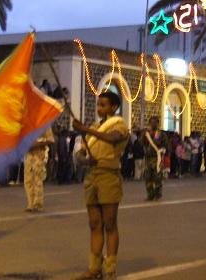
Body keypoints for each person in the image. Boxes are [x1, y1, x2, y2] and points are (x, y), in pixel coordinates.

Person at [72, 91, 129, 280]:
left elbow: (113, 139)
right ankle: (94, 268)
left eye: (103, 105)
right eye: (98, 105)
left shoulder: (119, 124)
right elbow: (80, 154)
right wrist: (85, 160)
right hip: (91, 176)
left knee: (110, 223)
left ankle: (110, 268)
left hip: (109, 175)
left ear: (114, 107)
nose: (99, 108)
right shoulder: (95, 127)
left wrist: (85, 130)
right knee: (94, 224)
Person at [23, 128, 54, 212]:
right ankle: (30, 204)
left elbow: (51, 140)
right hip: (28, 156)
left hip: (38, 156)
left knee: (37, 180)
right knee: (28, 181)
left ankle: (37, 204)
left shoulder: (44, 124)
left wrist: (36, 145)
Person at [143, 116, 167, 200]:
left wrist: (162, 158)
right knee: (147, 177)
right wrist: (143, 135)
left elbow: (165, 146)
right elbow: (143, 143)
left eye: (155, 122)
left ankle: (157, 194)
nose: (153, 124)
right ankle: (150, 194)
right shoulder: (147, 134)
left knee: (157, 177)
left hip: (158, 158)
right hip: (148, 158)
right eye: (151, 122)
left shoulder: (161, 134)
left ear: (157, 123)